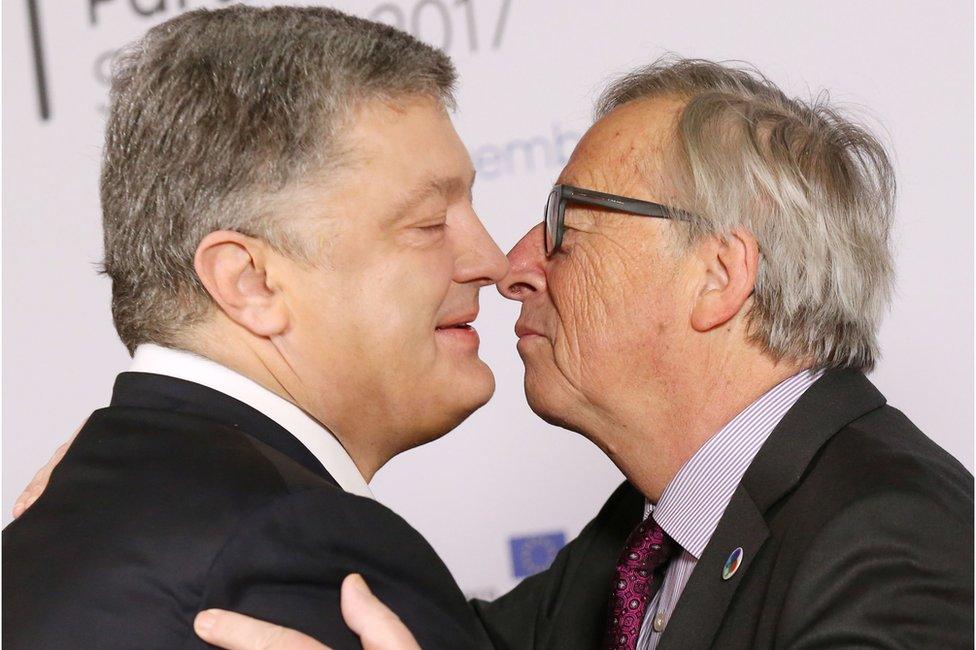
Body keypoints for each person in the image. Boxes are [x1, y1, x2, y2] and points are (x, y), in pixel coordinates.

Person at [152, 58, 974, 649]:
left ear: (718, 275)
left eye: (564, 229)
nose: (514, 267)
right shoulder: (643, 537)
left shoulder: (894, 534)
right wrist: (162, 473)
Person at [2, 6, 506, 649]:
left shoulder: (75, 519)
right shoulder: (291, 542)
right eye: (430, 224)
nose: (489, 260)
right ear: (250, 282)